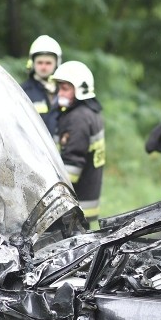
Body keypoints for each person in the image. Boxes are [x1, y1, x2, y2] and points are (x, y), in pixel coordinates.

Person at [51, 61, 105, 227]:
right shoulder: (91, 114)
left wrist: (51, 193)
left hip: (72, 205)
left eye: (65, 89)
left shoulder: (78, 118)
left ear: (80, 89)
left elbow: (72, 165)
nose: (60, 93)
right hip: (85, 200)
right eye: (59, 88)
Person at [21, 35, 62, 137]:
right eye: (40, 62)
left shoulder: (65, 91)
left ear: (57, 63)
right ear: (32, 63)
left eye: (48, 63)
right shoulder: (23, 92)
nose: (43, 67)